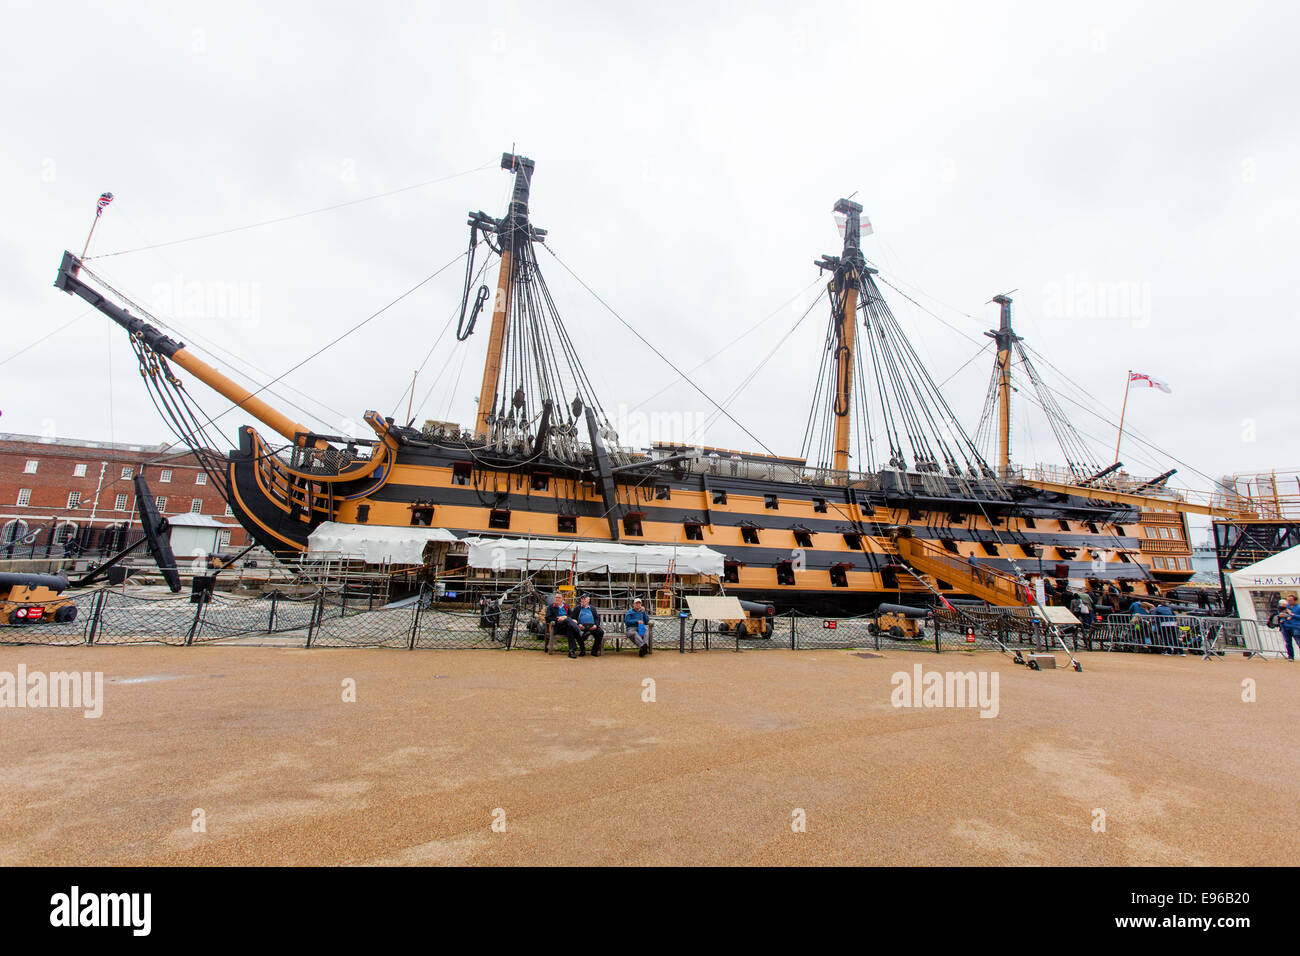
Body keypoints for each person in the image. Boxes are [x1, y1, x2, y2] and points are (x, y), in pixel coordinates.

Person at [545, 593, 582, 659]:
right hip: (557, 627)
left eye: (559, 597)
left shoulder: (566, 606)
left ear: (562, 599)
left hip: (567, 627)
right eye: (556, 597)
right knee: (567, 620)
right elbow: (547, 618)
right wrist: (558, 619)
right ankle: (579, 631)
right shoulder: (551, 607)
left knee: (570, 627)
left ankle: (571, 651)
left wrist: (565, 617)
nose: (557, 599)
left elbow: (571, 616)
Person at [1280, 594, 1300, 661]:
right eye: (1288, 600)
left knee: (1298, 641)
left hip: (1296, 627)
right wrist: (1282, 617)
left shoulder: (1298, 607)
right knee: (1288, 642)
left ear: (1295, 600)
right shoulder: (1286, 607)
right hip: (1286, 626)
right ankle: (1290, 657)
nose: (1289, 602)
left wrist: (1292, 615)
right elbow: (1280, 614)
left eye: (1290, 600)